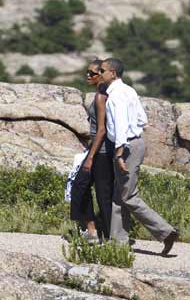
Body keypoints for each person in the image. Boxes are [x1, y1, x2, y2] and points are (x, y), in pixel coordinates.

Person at [99, 58, 178, 255]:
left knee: (128, 195)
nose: (99, 73)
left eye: (102, 70)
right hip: (135, 142)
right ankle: (118, 241)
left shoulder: (116, 96)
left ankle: (165, 231)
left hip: (125, 147)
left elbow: (121, 125)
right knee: (120, 194)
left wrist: (119, 153)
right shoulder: (129, 91)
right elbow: (142, 119)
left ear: (113, 74)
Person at [69, 60, 115, 243]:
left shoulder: (101, 96)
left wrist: (91, 157)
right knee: (83, 187)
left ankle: (107, 235)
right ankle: (93, 229)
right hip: (96, 149)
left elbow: (102, 130)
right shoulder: (99, 94)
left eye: (93, 73)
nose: (88, 76)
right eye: (87, 72)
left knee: (101, 193)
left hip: (101, 152)